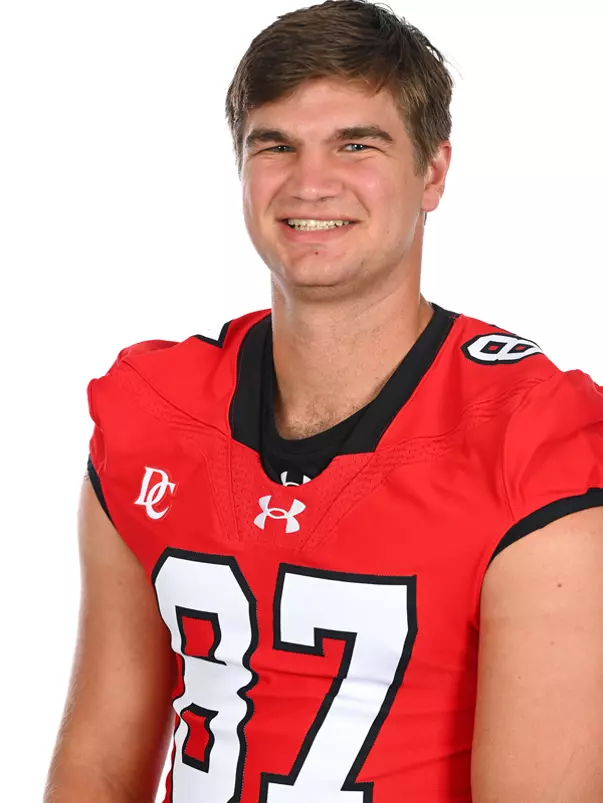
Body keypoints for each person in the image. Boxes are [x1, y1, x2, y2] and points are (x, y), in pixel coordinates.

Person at [44, 1, 603, 801]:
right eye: (275, 144)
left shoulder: (531, 438)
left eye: (355, 144)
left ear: (432, 172)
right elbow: (99, 762)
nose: (310, 182)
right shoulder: (154, 410)